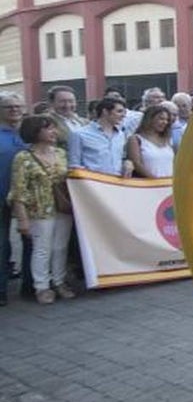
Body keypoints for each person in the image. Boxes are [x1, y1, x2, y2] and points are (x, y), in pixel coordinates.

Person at [10, 115, 74, 305]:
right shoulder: (23, 158)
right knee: (42, 248)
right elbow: (18, 190)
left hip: (62, 207)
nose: (53, 132)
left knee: (60, 246)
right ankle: (42, 286)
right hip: (38, 209)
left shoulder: (61, 153)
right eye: (48, 129)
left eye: (54, 128)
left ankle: (59, 281)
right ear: (35, 132)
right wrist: (22, 219)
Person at [0, 93, 29, 306]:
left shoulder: (29, 133)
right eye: (9, 107)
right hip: (2, 196)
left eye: (18, 106)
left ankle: (29, 285)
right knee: (2, 245)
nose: (14, 110)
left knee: (31, 242)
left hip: (29, 199)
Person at [67, 97, 133, 177]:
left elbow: (122, 157)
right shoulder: (79, 134)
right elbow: (74, 165)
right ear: (105, 112)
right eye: (119, 111)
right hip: (91, 183)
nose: (123, 116)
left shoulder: (121, 135)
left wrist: (127, 162)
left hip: (117, 183)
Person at [126, 105, 176, 179]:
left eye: (167, 120)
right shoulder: (136, 139)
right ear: (150, 118)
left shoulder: (168, 140)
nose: (165, 122)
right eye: (161, 119)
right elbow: (136, 164)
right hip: (149, 185)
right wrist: (155, 180)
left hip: (168, 184)